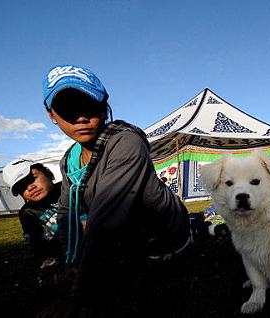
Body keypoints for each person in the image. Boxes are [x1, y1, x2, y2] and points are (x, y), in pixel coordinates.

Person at [38, 64, 191, 316]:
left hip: (164, 237)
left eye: (90, 106)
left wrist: (79, 297)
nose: (81, 117)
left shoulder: (125, 141)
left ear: (104, 105)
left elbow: (106, 219)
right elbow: (67, 214)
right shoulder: (69, 159)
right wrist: (71, 262)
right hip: (128, 237)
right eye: (68, 109)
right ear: (51, 114)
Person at [3, 159, 62, 269]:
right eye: (22, 187)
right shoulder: (27, 213)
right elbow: (37, 246)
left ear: (49, 174)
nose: (30, 187)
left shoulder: (69, 187)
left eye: (32, 179)